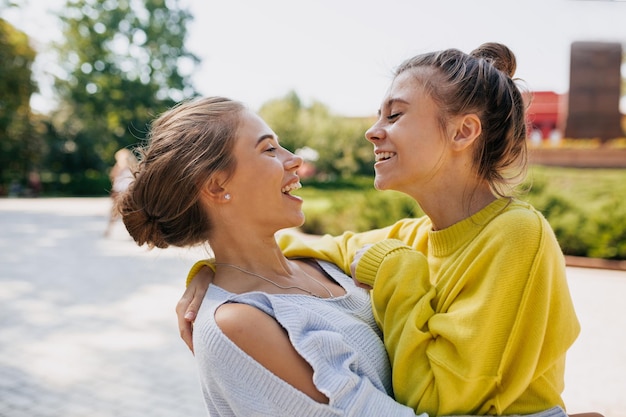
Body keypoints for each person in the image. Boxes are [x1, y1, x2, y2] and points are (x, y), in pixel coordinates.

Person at [177, 43, 581, 417]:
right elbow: (291, 246)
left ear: (463, 132)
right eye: (377, 115)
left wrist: (397, 273)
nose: (373, 131)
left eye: (395, 114)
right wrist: (212, 273)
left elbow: (442, 404)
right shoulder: (414, 235)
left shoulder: (516, 234)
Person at [118, 96, 431, 417]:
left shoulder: (323, 261)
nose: (294, 159)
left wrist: (206, 270)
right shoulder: (239, 324)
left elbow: (440, 234)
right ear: (215, 186)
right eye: (268, 149)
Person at [104, 148, 137, 236]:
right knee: (115, 213)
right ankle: (109, 230)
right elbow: (113, 177)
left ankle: (130, 232)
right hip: (119, 192)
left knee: (128, 213)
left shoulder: (131, 167)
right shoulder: (119, 167)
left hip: (127, 192)